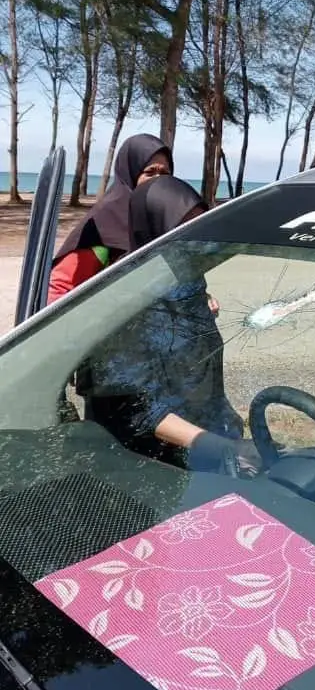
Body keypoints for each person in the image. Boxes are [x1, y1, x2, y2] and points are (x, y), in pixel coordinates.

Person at [81, 176, 257, 474]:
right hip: (155, 470)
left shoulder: (187, 285)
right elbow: (139, 412)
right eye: (184, 226)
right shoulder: (121, 302)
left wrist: (231, 437)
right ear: (153, 227)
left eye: (202, 224)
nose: (197, 237)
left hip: (214, 447)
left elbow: (203, 382)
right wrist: (225, 448)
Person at [47, 134, 173, 304]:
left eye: (165, 173)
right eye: (150, 172)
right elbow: (60, 289)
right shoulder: (103, 224)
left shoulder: (164, 221)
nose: (159, 180)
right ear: (130, 174)